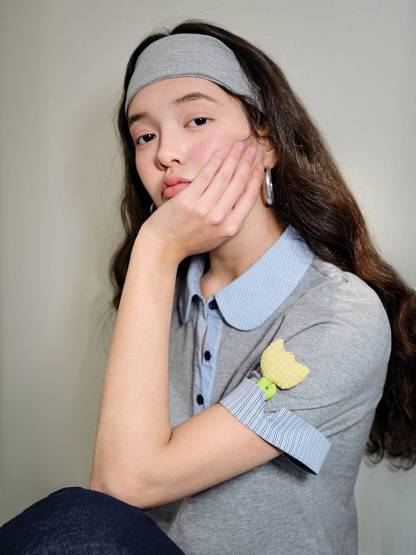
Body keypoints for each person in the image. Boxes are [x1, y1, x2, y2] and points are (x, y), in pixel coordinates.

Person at [1, 18, 415, 555]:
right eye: (144, 136)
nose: (165, 154)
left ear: (266, 141)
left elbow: (124, 484)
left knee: (78, 518)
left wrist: (154, 247)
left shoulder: (340, 315)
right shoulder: (158, 296)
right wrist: (156, 265)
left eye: (196, 119)